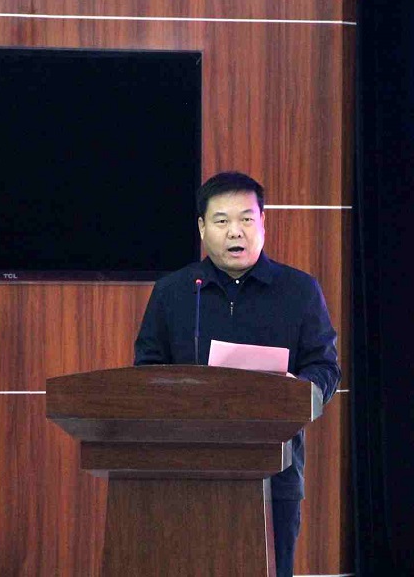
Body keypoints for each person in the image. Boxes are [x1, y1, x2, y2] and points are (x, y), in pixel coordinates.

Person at [134, 171, 342, 577]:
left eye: (247, 219)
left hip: (274, 473)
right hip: (187, 471)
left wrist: (297, 391)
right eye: (222, 220)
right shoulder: (174, 292)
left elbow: (326, 367)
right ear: (202, 227)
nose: (236, 231)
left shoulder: (299, 290)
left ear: (263, 223)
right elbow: (147, 370)